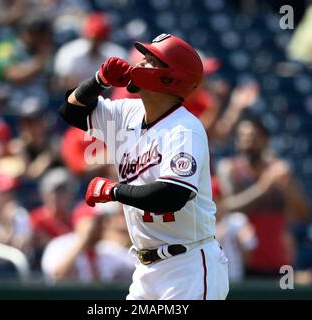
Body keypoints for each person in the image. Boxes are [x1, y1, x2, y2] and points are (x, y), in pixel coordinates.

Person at [59, 33, 229, 300]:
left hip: (189, 266)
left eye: (150, 61)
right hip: (146, 269)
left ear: (169, 78)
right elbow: (71, 112)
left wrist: (114, 191)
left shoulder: (185, 128)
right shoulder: (127, 112)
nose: (138, 64)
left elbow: (171, 196)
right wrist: (98, 81)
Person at [216, 115, 311, 277]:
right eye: (242, 137)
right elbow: (227, 207)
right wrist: (263, 187)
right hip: (244, 262)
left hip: (280, 262)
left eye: (252, 137)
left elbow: (304, 214)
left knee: (285, 295)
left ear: (266, 140)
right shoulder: (229, 168)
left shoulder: (277, 169)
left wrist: (289, 187)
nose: (246, 142)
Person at [41, 202, 134, 282]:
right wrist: (83, 240)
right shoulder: (59, 245)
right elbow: (58, 276)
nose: (103, 225)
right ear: (81, 222)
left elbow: (136, 268)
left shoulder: (108, 248)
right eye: (97, 221)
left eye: (103, 220)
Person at [0, 14, 53, 114]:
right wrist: (40, 61)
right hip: (9, 104)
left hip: (38, 105)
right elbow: (13, 76)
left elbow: (51, 83)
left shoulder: (44, 50)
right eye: (36, 33)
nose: (40, 37)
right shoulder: (5, 47)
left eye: (42, 33)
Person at [54, 12, 127, 90]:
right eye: (93, 38)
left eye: (100, 39)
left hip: (107, 98)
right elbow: (63, 82)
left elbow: (121, 85)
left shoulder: (117, 54)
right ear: (85, 36)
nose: (95, 42)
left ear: (106, 38)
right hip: (73, 96)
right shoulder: (69, 52)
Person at [29, 168, 78, 254]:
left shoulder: (76, 219)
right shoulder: (36, 218)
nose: (57, 196)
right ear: (44, 194)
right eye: (55, 191)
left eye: (63, 191)